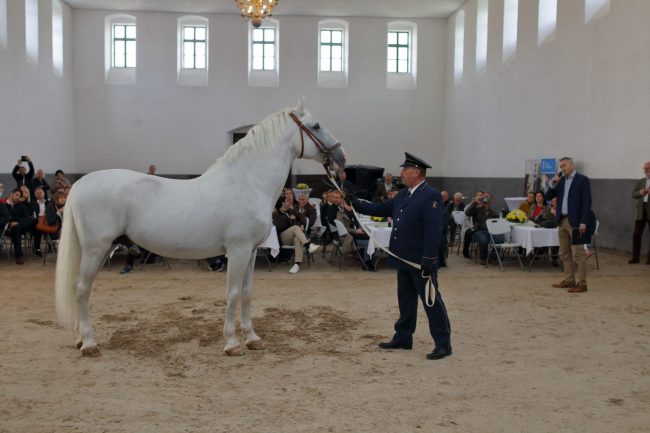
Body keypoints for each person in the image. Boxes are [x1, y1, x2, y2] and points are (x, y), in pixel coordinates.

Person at [348, 152, 451, 360]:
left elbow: (434, 230)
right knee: (405, 300)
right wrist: (353, 202)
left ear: (416, 172)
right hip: (403, 258)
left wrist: (429, 260)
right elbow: (379, 207)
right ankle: (404, 336)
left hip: (420, 261)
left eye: (405, 169)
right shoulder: (404, 194)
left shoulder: (430, 195)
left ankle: (443, 343)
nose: (401, 173)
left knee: (431, 301)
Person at [546, 157, 593, 293]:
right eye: (560, 166)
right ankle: (569, 280)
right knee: (564, 253)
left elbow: (587, 203)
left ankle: (582, 283)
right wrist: (553, 184)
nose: (562, 168)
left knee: (578, 253)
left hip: (577, 222)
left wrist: (583, 222)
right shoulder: (561, 182)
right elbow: (549, 197)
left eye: (564, 165)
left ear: (572, 165)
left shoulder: (582, 180)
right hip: (562, 220)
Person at [272, 196, 320, 274]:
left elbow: (303, 218)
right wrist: (289, 220)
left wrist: (301, 225)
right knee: (295, 228)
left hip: (293, 236)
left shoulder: (290, 211)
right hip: (282, 237)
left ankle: (296, 265)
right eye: (287, 201)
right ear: (282, 203)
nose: (289, 202)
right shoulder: (276, 214)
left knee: (298, 239)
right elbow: (280, 227)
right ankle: (308, 245)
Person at [463, 191, 499, 265]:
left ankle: (493, 257)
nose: (486, 199)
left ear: (491, 200)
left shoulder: (493, 213)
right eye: (484, 197)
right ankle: (483, 257)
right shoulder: (477, 209)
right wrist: (475, 202)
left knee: (500, 238)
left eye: (488, 197)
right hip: (479, 231)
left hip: (490, 231)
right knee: (483, 240)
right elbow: (467, 213)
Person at [629, 161, 650, 264]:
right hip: (641, 211)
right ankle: (635, 257)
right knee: (636, 234)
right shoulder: (642, 181)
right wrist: (640, 192)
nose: (646, 171)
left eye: (648, 168)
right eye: (645, 169)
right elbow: (633, 194)